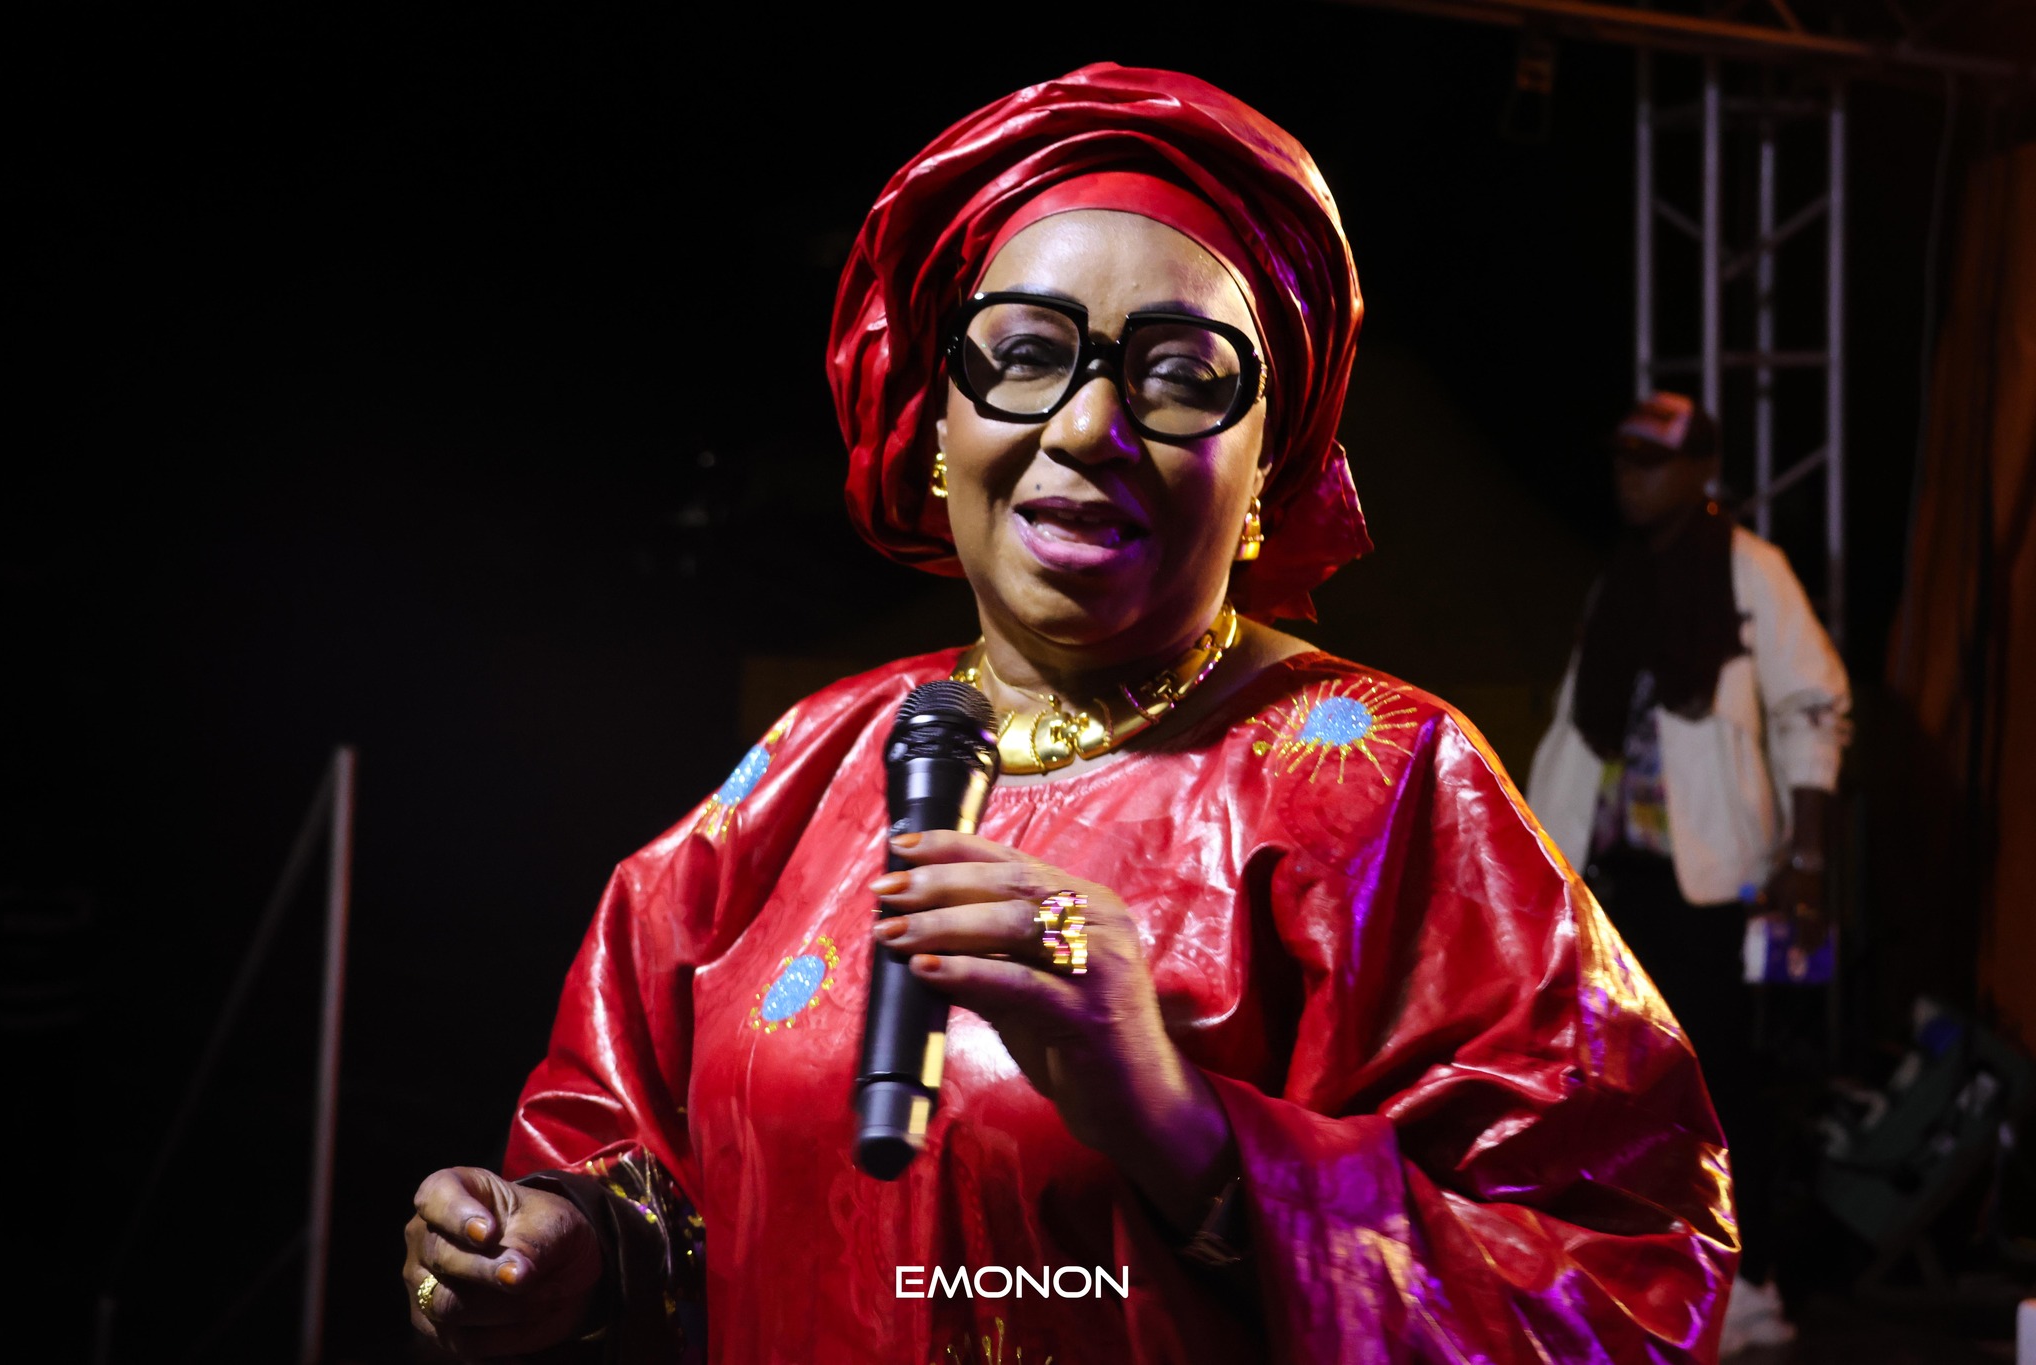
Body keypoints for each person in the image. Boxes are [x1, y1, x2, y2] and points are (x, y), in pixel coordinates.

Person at [400, 66, 1737, 1364]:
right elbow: (665, 1168)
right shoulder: (811, 764)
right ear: (937, 425)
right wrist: (574, 1247)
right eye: (1028, 355)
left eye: (1180, 374)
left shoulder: (1389, 787)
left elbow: (1615, 1281)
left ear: (1269, 462)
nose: (1091, 423)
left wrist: (1180, 1126)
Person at [1526, 392, 1852, 1355]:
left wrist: (1807, 855)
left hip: (1711, 881)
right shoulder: (1621, 577)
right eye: (1622, 458)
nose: (1630, 477)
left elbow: (1815, 705)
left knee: (1721, 1086)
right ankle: (1649, 1268)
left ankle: (1747, 1280)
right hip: (1616, 874)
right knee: (1619, 1083)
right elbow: (1581, 725)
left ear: (1701, 470)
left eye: (1651, 460)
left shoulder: (1751, 570)